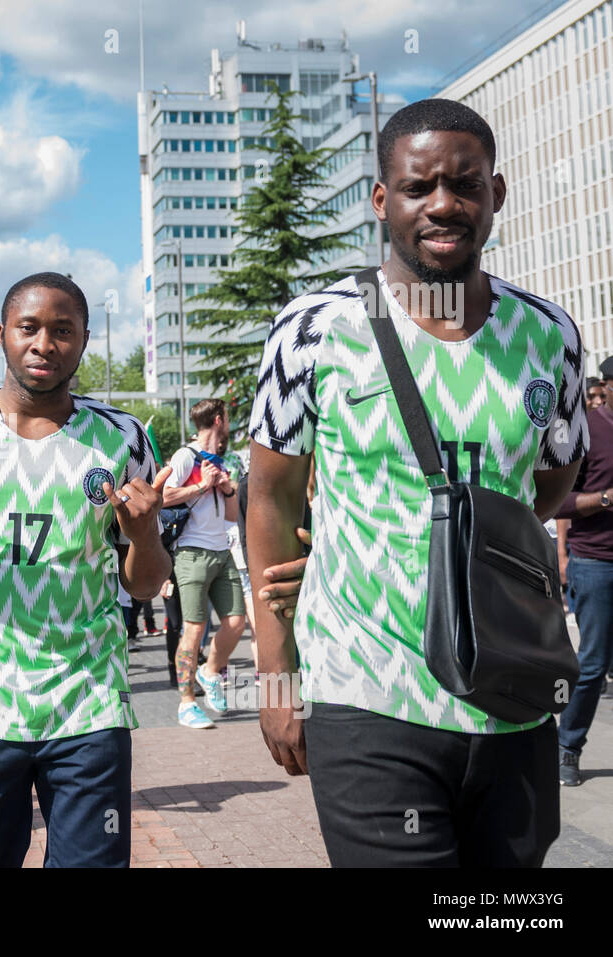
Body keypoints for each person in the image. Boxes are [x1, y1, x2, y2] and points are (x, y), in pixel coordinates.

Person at [248, 99, 587, 866]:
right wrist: (277, 676)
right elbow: (268, 499)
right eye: (418, 186)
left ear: (495, 194)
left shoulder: (550, 334)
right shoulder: (313, 328)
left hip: (512, 694)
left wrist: (464, 543)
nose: (443, 205)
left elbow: (552, 475)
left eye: (465, 185)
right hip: (368, 696)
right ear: (381, 201)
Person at [0, 272, 172, 868]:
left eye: (63, 330)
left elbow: (145, 584)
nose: (45, 343)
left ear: (84, 341)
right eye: (30, 327)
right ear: (2, 335)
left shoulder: (122, 438)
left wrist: (144, 535)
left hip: (88, 704)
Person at [162, 399, 247, 729]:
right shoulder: (186, 456)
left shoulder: (218, 460)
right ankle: (186, 703)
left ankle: (210, 671)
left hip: (221, 550)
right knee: (194, 629)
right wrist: (201, 485)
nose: (228, 422)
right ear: (218, 420)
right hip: (192, 552)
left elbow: (228, 516)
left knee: (236, 622)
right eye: (226, 417)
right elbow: (164, 496)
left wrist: (225, 490)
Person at [555, 355, 613, 785]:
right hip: (596, 563)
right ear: (608, 386)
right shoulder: (588, 430)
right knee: (592, 663)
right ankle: (567, 747)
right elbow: (559, 501)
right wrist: (606, 500)